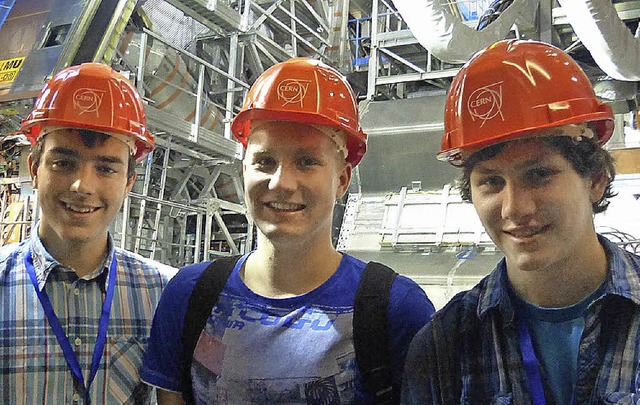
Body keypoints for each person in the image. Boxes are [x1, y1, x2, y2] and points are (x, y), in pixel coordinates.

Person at [141, 57, 435, 404]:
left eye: (307, 162)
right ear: (244, 170)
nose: (282, 183)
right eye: (265, 161)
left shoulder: (396, 310)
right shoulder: (190, 296)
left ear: (341, 180)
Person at [401, 39, 640, 404]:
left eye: (539, 174)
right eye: (492, 182)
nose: (514, 208)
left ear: (595, 180)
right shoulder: (443, 347)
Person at [0, 63, 176, 404]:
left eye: (106, 168)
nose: (82, 185)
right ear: (34, 169)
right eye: (64, 163)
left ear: (128, 182)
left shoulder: (166, 295)